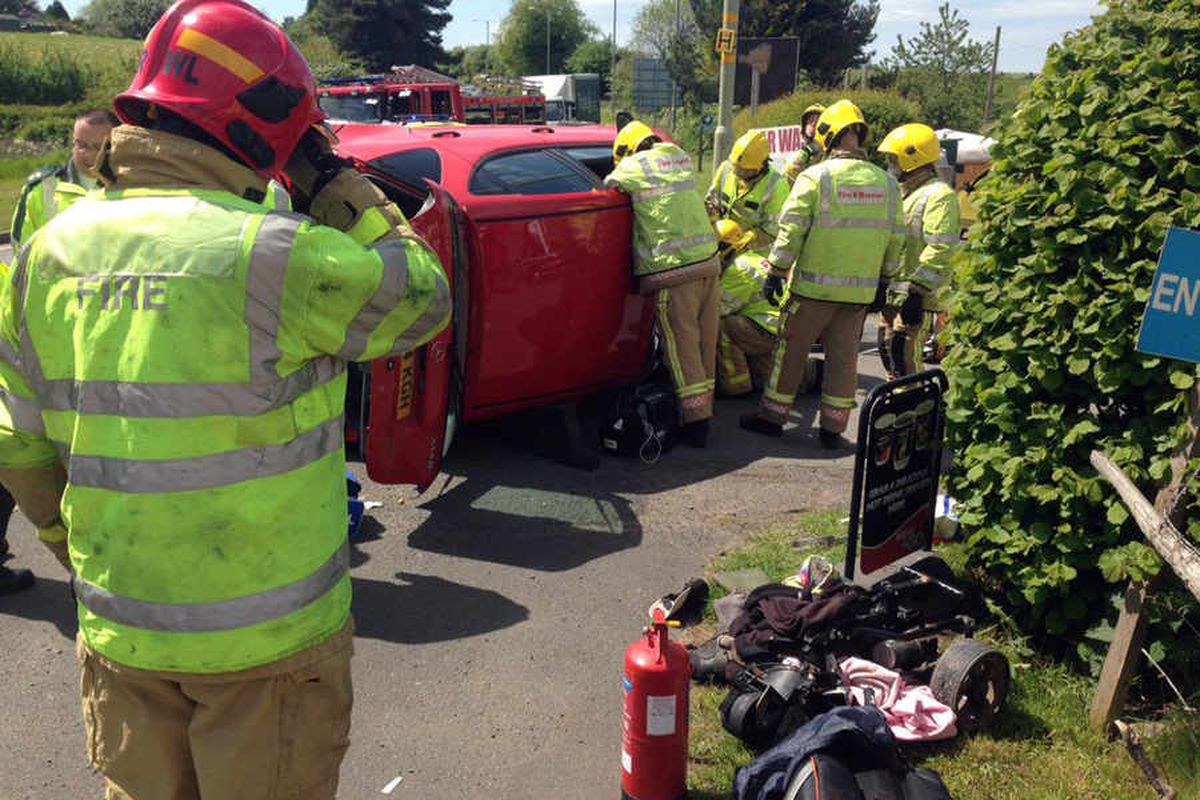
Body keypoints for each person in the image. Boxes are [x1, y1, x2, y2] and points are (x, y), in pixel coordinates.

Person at [0, 0, 451, 797]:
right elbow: (422, 297)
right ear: (264, 125)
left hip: (123, 631)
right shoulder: (273, 254)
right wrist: (336, 186)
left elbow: (18, 445)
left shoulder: (44, 253)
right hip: (268, 651)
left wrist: (75, 551)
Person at [740, 99, 904, 448]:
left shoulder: (815, 177)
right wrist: (884, 282)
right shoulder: (887, 184)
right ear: (861, 135)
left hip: (812, 292)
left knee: (790, 352)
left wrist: (777, 269)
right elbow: (895, 238)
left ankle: (772, 418)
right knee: (844, 360)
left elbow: (792, 229)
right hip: (858, 296)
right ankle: (833, 429)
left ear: (828, 136)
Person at [605, 120, 721, 447]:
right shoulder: (678, 155)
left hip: (674, 271)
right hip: (708, 263)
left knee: (681, 347)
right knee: (704, 344)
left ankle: (697, 423)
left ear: (626, 151)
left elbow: (606, 188)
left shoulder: (630, 167)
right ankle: (707, 410)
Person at [875, 123, 961, 379]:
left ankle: (915, 410)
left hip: (916, 298)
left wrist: (917, 292)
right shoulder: (902, 194)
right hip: (894, 294)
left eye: (894, 158)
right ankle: (897, 409)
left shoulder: (939, 195)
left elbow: (940, 247)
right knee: (887, 351)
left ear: (912, 158)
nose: (891, 164)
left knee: (904, 356)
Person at [9, 108, 118, 250]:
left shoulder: (131, 187)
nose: (87, 154)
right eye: (81, 145)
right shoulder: (43, 186)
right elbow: (21, 249)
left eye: (98, 147)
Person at [714, 220, 779, 396]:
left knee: (721, 326)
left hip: (764, 330)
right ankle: (814, 372)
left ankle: (735, 385)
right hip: (776, 329)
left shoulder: (737, 269)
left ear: (723, 247)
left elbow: (718, 310)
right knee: (766, 377)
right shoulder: (753, 259)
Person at [706, 130, 790, 251]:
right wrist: (714, 221)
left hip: (756, 252)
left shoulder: (777, 186)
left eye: (743, 170)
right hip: (721, 242)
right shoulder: (726, 168)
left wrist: (742, 242)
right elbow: (711, 202)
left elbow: (773, 230)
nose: (736, 172)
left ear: (760, 168)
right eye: (735, 166)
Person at [782, 103, 827, 183]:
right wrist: (802, 158)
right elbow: (787, 177)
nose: (813, 124)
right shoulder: (797, 156)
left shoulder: (831, 155)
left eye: (818, 121)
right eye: (809, 121)